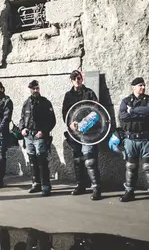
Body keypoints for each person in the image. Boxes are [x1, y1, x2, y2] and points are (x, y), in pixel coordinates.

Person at [118, 77, 149, 205]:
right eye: (140, 85)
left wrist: (132, 111)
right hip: (130, 139)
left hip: (146, 139)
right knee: (131, 167)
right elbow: (123, 116)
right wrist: (137, 114)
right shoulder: (125, 101)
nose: (143, 87)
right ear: (133, 87)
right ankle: (129, 192)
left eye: (144, 85)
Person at [61, 70, 101, 199]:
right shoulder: (68, 95)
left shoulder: (89, 92)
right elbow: (65, 112)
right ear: (71, 80)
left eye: (78, 78)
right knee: (78, 159)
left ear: (81, 79)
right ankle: (80, 185)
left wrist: (86, 123)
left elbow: (96, 109)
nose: (77, 81)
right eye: (74, 79)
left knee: (90, 160)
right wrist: (71, 123)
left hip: (89, 131)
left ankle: (96, 187)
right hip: (75, 132)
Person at [19, 80, 56, 196]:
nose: (35, 90)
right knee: (32, 161)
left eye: (37, 88)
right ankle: (36, 184)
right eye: (33, 88)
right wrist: (22, 128)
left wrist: (43, 132)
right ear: (30, 89)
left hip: (39, 136)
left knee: (42, 162)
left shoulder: (45, 103)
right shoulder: (26, 103)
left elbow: (52, 121)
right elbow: (22, 118)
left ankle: (46, 186)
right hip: (28, 136)